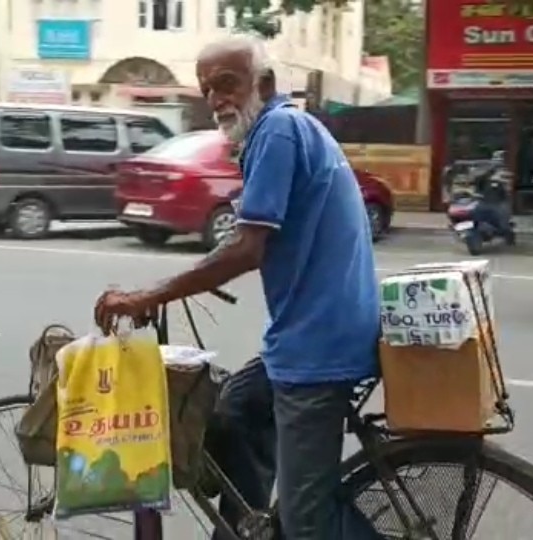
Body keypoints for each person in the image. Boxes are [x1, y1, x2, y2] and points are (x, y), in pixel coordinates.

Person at [94, 34, 381, 540]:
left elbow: (248, 247)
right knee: (236, 409)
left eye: (228, 84)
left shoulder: (279, 130)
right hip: (306, 335)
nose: (217, 99)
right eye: (208, 90)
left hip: (319, 349)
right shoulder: (278, 132)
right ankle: (243, 530)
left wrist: (151, 295)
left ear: (263, 84)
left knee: (306, 522)